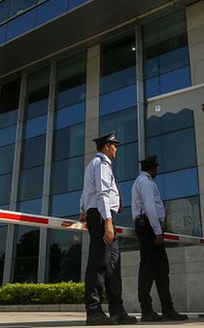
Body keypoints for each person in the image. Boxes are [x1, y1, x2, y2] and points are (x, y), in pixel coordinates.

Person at [80, 131, 137, 325]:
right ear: (107, 147)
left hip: (100, 214)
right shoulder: (102, 164)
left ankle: (117, 311)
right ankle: (94, 311)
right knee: (99, 263)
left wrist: (83, 208)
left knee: (113, 265)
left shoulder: (92, 165)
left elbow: (87, 191)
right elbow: (102, 193)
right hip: (102, 216)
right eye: (115, 146)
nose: (116, 149)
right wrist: (108, 221)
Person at [131, 155, 189, 322]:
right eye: (156, 168)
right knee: (149, 269)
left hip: (147, 226)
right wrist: (158, 231)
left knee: (160, 269)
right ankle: (148, 310)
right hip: (149, 227)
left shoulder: (139, 182)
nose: (157, 171)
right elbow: (150, 208)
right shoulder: (147, 183)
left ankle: (167, 308)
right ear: (153, 168)